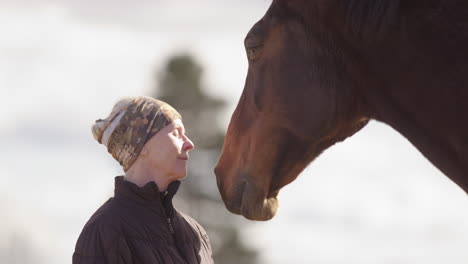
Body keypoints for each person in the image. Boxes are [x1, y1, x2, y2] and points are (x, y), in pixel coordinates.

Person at [73, 96, 214, 264]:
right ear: (142, 144)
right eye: (176, 133)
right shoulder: (105, 230)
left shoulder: (195, 232)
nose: (189, 144)